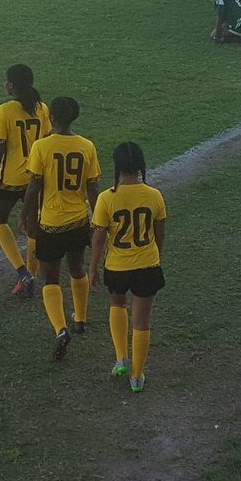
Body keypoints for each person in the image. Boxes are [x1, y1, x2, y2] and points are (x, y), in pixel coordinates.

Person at [24, 95, 100, 361]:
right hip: (79, 221)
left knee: (50, 277)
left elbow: (34, 186)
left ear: (51, 117)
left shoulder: (41, 147)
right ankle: (80, 319)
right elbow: (92, 187)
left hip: (51, 223)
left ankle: (60, 329)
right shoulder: (86, 146)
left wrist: (26, 215)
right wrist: (97, 222)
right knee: (77, 268)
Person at [92, 141, 166, 392]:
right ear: (140, 166)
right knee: (141, 322)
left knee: (117, 304)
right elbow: (159, 232)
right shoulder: (154, 195)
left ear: (117, 166)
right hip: (148, 265)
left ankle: (121, 357)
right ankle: (137, 376)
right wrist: (157, 257)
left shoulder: (106, 198)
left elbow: (99, 237)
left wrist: (92, 268)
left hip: (117, 266)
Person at [0, 64, 50, 296]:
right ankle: (32, 273)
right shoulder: (42, 108)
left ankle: (23, 273)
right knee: (34, 227)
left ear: (11, 85)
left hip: (11, 177)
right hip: (37, 177)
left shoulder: (5, 110)